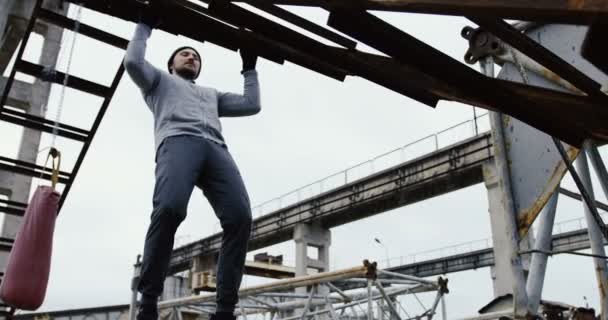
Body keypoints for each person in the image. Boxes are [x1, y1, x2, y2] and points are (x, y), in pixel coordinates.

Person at [123, 4, 260, 320]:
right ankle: (148, 302)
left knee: (240, 217)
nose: (191, 57)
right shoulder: (158, 82)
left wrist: (249, 67)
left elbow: (252, 105)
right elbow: (132, 61)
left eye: (196, 56)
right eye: (184, 54)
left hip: (217, 149)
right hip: (178, 142)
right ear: (170, 64)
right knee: (170, 208)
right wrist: (144, 26)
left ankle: (225, 308)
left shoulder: (211, 94)